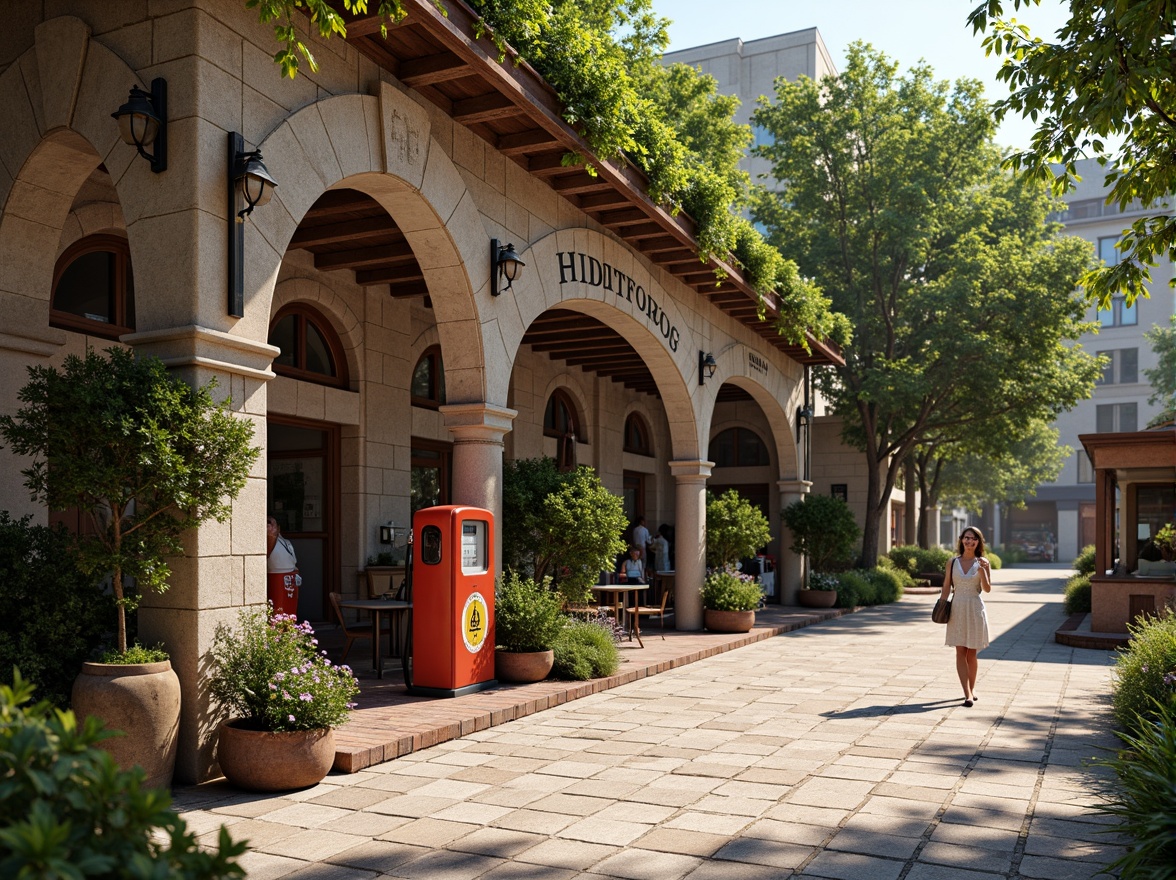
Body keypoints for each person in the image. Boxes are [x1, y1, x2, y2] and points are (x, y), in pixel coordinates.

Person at [941, 527, 992, 707]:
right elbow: (947, 586)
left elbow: (986, 589)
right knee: (960, 651)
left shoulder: (983, 562)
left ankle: (973, 687)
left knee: (972, 653)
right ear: (961, 540)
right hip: (957, 608)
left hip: (975, 608)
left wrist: (983, 571)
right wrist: (941, 604)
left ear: (978, 542)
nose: (969, 541)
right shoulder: (952, 562)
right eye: (966, 538)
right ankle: (967, 693)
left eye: (973, 539)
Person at [266, 515, 300, 617]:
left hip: (289, 575)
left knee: (289, 608)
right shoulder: (268, 542)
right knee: (278, 607)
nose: (269, 526)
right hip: (275, 576)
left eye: (271, 523)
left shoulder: (286, 542)